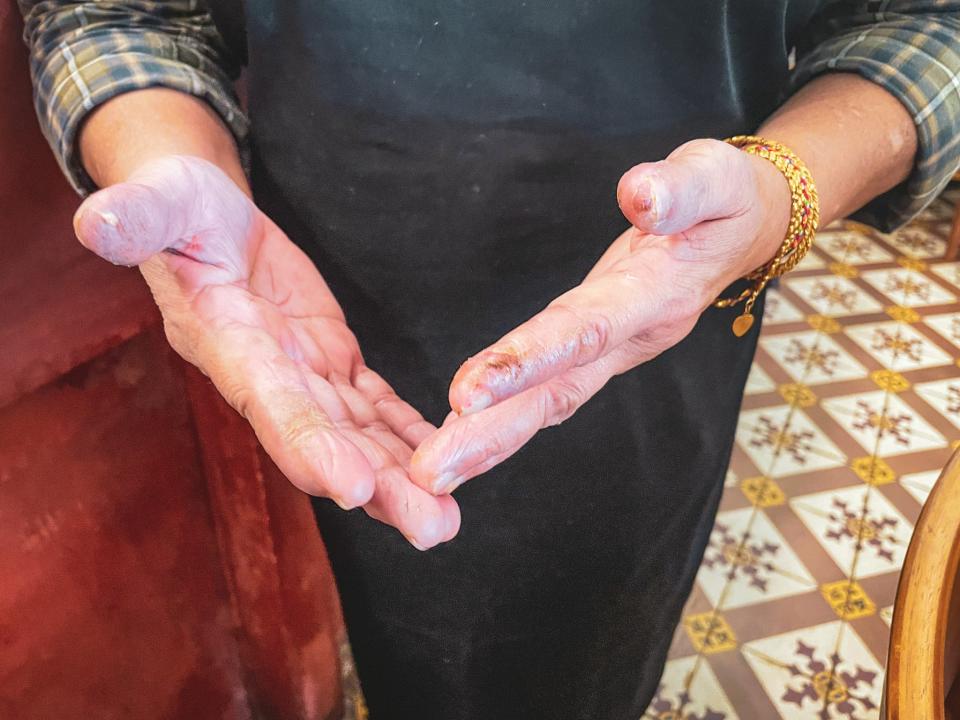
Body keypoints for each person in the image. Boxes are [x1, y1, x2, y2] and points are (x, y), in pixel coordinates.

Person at [18, 1, 960, 717]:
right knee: (407, 637)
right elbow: (120, 11)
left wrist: (776, 194)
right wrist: (174, 171)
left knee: (595, 653)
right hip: (318, 305)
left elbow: (920, 25)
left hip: (669, 300)